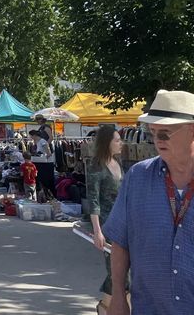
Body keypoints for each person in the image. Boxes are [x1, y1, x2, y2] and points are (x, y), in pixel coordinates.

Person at [103, 90, 194, 314]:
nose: (157, 140)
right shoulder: (137, 177)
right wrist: (118, 295)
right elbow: (120, 242)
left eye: (165, 133)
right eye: (152, 132)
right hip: (148, 308)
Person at [87, 125, 123, 301]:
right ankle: (108, 307)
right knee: (115, 269)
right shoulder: (97, 166)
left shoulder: (118, 163)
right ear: (107, 143)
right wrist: (97, 231)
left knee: (126, 269)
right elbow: (93, 200)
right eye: (117, 140)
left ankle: (114, 307)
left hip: (123, 223)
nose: (120, 143)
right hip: (107, 224)